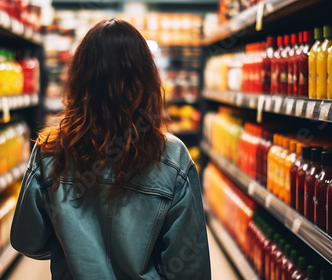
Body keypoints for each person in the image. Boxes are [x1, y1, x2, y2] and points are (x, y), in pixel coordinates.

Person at [11, 18, 211, 280]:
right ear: (148, 79)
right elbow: (190, 267)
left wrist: (69, 245)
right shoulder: (173, 157)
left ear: (79, 80)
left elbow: (27, 240)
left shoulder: (50, 150)